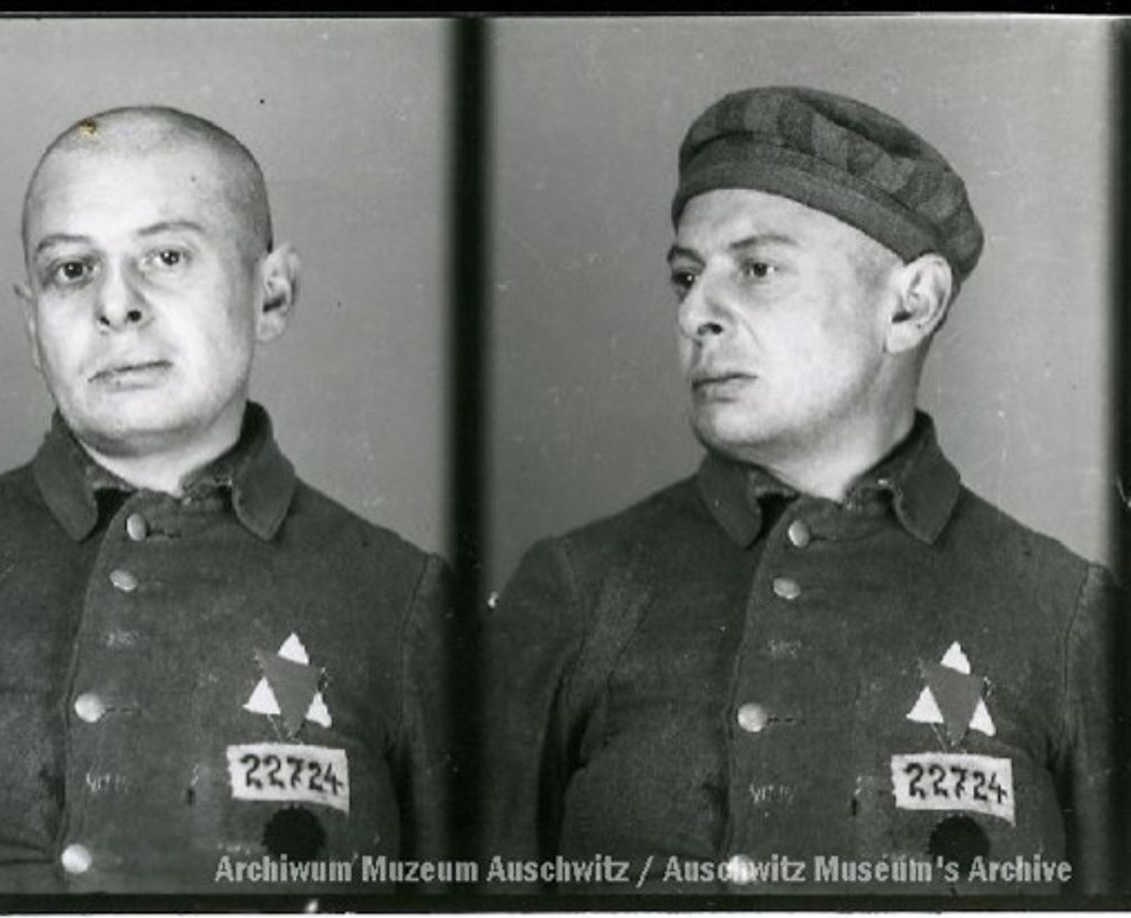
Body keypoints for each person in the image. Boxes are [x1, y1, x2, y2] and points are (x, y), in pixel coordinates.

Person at [480, 85, 1120, 895]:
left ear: (910, 305)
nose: (694, 316)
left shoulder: (1068, 618)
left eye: (757, 268)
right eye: (686, 278)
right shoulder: (574, 590)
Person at [0, 105, 457, 893]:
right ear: (32, 324)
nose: (115, 306)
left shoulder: (400, 599)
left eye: (165, 255)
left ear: (272, 294)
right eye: (72, 270)